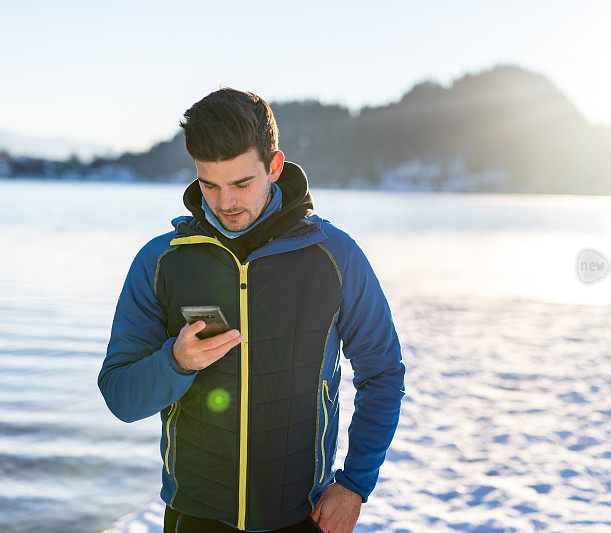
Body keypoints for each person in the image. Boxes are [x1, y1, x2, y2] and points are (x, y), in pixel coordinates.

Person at [98, 88, 406, 533]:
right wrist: (176, 362)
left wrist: (355, 485)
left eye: (242, 183)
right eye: (209, 184)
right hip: (194, 517)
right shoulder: (161, 261)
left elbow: (383, 374)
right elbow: (120, 398)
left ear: (274, 167)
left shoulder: (334, 257)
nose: (226, 204)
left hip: (303, 517)